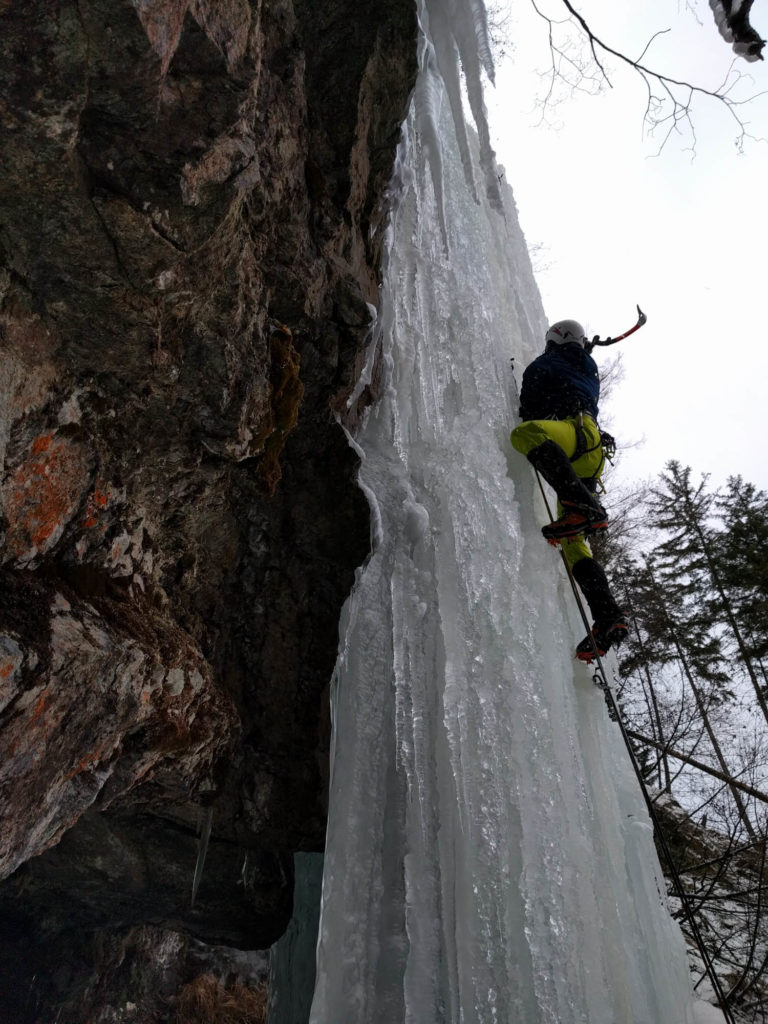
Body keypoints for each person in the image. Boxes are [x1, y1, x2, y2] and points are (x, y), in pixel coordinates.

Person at [510, 319, 627, 661]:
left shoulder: (546, 363)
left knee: (526, 434)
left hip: (571, 434)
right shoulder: (588, 367)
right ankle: (607, 616)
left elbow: (527, 405)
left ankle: (582, 506)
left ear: (555, 340)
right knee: (573, 542)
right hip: (593, 453)